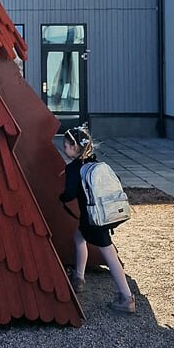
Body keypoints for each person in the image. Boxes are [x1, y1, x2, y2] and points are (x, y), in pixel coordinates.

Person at [59, 123, 136, 314]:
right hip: (101, 215)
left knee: (109, 255)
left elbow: (69, 195)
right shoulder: (95, 163)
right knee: (79, 238)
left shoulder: (73, 169)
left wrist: (60, 197)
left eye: (66, 146)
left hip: (92, 220)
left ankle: (126, 297)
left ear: (75, 147)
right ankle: (79, 278)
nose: (64, 149)